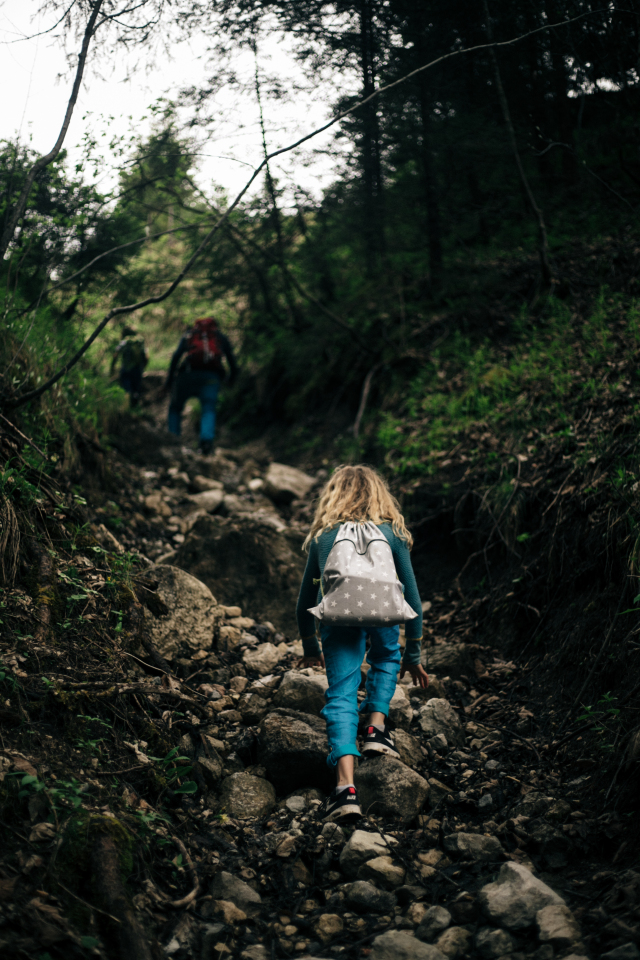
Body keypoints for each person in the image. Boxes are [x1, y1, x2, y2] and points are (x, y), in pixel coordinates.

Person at [296, 464, 428, 822]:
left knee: (340, 695)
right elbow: (413, 600)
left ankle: (345, 790)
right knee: (387, 656)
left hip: (338, 618)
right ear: (379, 494)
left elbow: (304, 599)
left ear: (333, 496)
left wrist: (310, 648)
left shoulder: (324, 536)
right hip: (383, 612)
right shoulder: (394, 534)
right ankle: (375, 727)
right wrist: (413, 654)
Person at [164, 317, 237, 455]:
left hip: (187, 375)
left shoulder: (190, 335)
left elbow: (176, 356)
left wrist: (169, 381)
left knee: (175, 407)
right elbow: (232, 360)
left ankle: (173, 439)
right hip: (212, 378)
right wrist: (231, 379)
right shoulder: (219, 337)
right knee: (208, 409)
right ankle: (206, 443)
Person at [110, 326, 148, 406]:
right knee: (136, 387)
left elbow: (116, 354)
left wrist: (112, 367)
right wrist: (143, 367)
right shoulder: (139, 341)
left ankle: (127, 408)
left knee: (126, 388)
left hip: (126, 368)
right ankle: (135, 405)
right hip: (137, 368)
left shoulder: (124, 341)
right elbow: (146, 356)